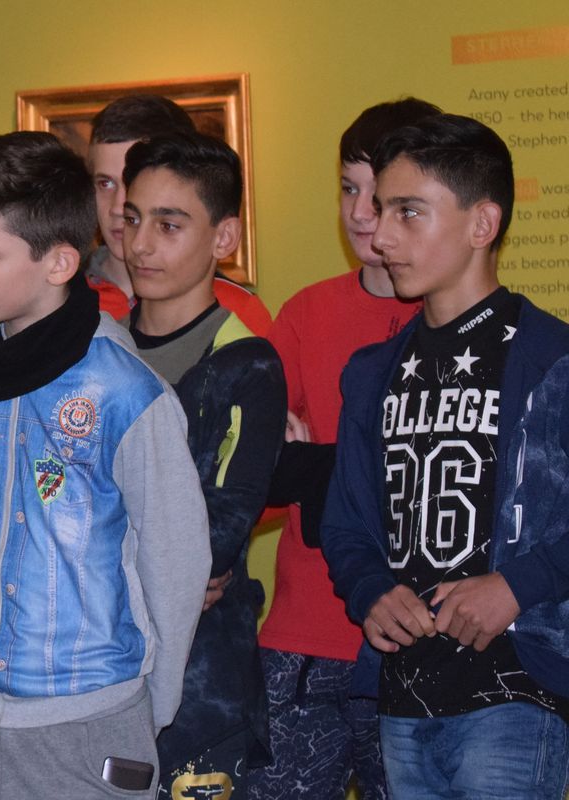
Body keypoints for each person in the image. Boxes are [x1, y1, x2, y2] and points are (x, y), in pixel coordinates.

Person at [0, 130, 210, 799]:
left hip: (90, 723)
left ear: (58, 263)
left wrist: (149, 707)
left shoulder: (126, 393)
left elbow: (175, 560)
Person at [322, 113, 569, 798]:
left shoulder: (553, 358)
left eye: (408, 212)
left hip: (517, 691)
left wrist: (517, 584)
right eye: (379, 209)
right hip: (402, 698)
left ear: (482, 223)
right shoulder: (371, 372)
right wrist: (371, 592)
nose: (380, 234)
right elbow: (345, 524)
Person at [248, 98, 438, 800]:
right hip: (304, 636)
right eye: (348, 189)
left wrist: (318, 464)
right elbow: (253, 477)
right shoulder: (306, 312)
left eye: (381, 196)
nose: (361, 214)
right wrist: (293, 467)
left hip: (423, 640)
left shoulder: (461, 323)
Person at [118, 131, 286, 798]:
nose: (140, 244)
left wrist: (101, 561)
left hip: (202, 686)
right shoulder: (94, 355)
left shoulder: (247, 364)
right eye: (132, 219)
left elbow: (216, 536)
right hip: (97, 681)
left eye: (169, 224)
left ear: (224, 237)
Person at [87, 94, 272, 335]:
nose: (117, 207)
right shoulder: (62, 299)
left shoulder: (239, 309)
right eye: (105, 184)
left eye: (133, 183)